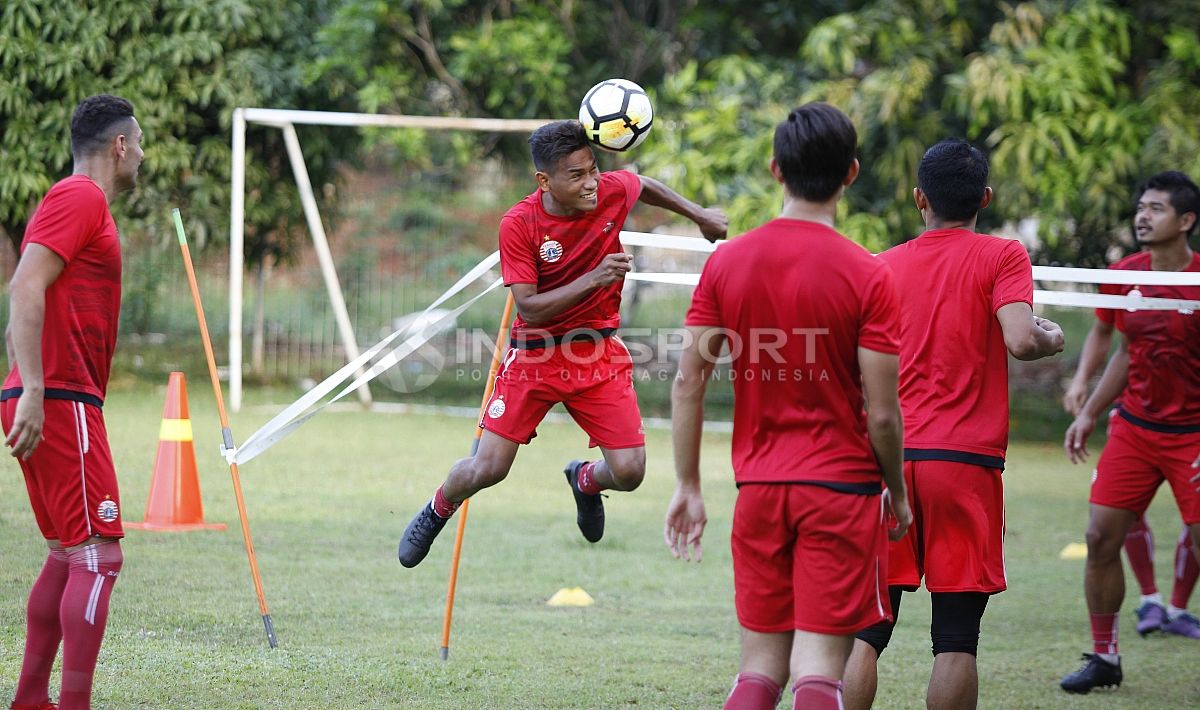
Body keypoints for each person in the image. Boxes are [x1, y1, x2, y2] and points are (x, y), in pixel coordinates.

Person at [665, 102, 912, 710]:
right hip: (841, 492)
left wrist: (689, 483)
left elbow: (688, 381)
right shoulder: (868, 274)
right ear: (851, 173)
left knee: (758, 671)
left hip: (760, 491)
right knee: (819, 673)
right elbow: (882, 414)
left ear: (776, 170)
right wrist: (898, 491)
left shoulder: (727, 262)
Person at [398, 119, 727, 568]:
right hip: (535, 356)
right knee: (487, 470)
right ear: (544, 180)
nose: (592, 182)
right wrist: (597, 277)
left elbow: (642, 184)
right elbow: (529, 308)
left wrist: (701, 216)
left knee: (630, 473)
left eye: (593, 169)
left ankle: (585, 480)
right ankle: (437, 508)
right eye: (577, 175)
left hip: (599, 353)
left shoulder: (609, 191)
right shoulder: (519, 223)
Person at [841, 139, 1065, 710]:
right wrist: (1051, 337)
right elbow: (1020, 338)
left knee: (867, 631)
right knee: (956, 640)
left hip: (887, 461)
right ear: (985, 199)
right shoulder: (1003, 255)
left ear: (919, 199)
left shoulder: (881, 265)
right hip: (964, 465)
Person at [2, 94, 144, 710]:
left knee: (67, 554)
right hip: (58, 395)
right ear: (119, 146)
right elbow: (24, 287)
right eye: (138, 144)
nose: (141, 154)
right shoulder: (81, 196)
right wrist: (34, 388)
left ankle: (31, 700)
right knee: (98, 555)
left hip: (52, 393)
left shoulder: (75, 201)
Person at [1060, 171, 1200, 693]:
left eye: (1156, 208)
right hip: (1136, 429)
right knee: (1099, 537)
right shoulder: (1123, 274)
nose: (1143, 216)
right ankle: (1105, 658)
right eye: (1141, 207)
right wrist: (1090, 409)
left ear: (1185, 221)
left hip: (1193, 434)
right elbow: (1124, 349)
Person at [1064, 322, 1200, 639]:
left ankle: (1178, 608)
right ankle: (1147, 602)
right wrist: (1084, 388)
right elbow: (1108, 334)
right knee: (1108, 525)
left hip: (1192, 427)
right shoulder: (1126, 275)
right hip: (1134, 421)